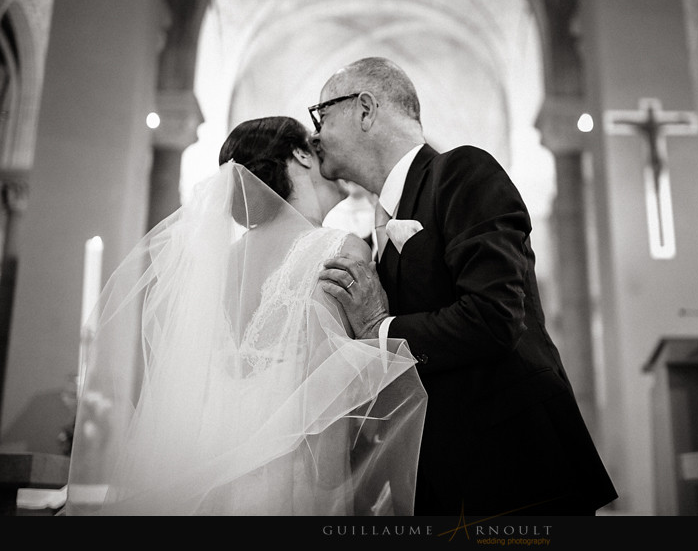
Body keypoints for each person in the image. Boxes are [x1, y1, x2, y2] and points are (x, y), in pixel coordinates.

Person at [65, 116, 427, 516]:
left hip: (211, 468)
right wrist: (333, 493)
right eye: (316, 148)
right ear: (301, 155)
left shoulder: (220, 266)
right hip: (290, 473)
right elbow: (330, 398)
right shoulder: (339, 250)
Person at [313, 57, 617, 517]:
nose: (315, 134)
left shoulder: (461, 172)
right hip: (445, 478)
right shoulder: (381, 224)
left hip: (517, 472)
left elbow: (493, 318)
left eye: (322, 115)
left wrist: (379, 327)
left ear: (365, 109)